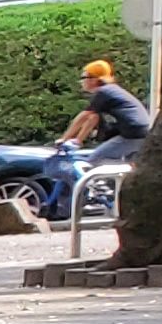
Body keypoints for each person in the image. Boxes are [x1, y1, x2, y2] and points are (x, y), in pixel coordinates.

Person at [34, 59, 152, 218]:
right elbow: (92, 120)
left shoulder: (104, 92)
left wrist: (64, 138)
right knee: (115, 169)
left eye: (83, 78)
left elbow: (84, 116)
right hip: (140, 132)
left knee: (93, 161)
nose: (81, 82)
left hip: (132, 134)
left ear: (94, 79)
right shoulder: (111, 92)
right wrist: (78, 140)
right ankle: (117, 191)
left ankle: (102, 190)